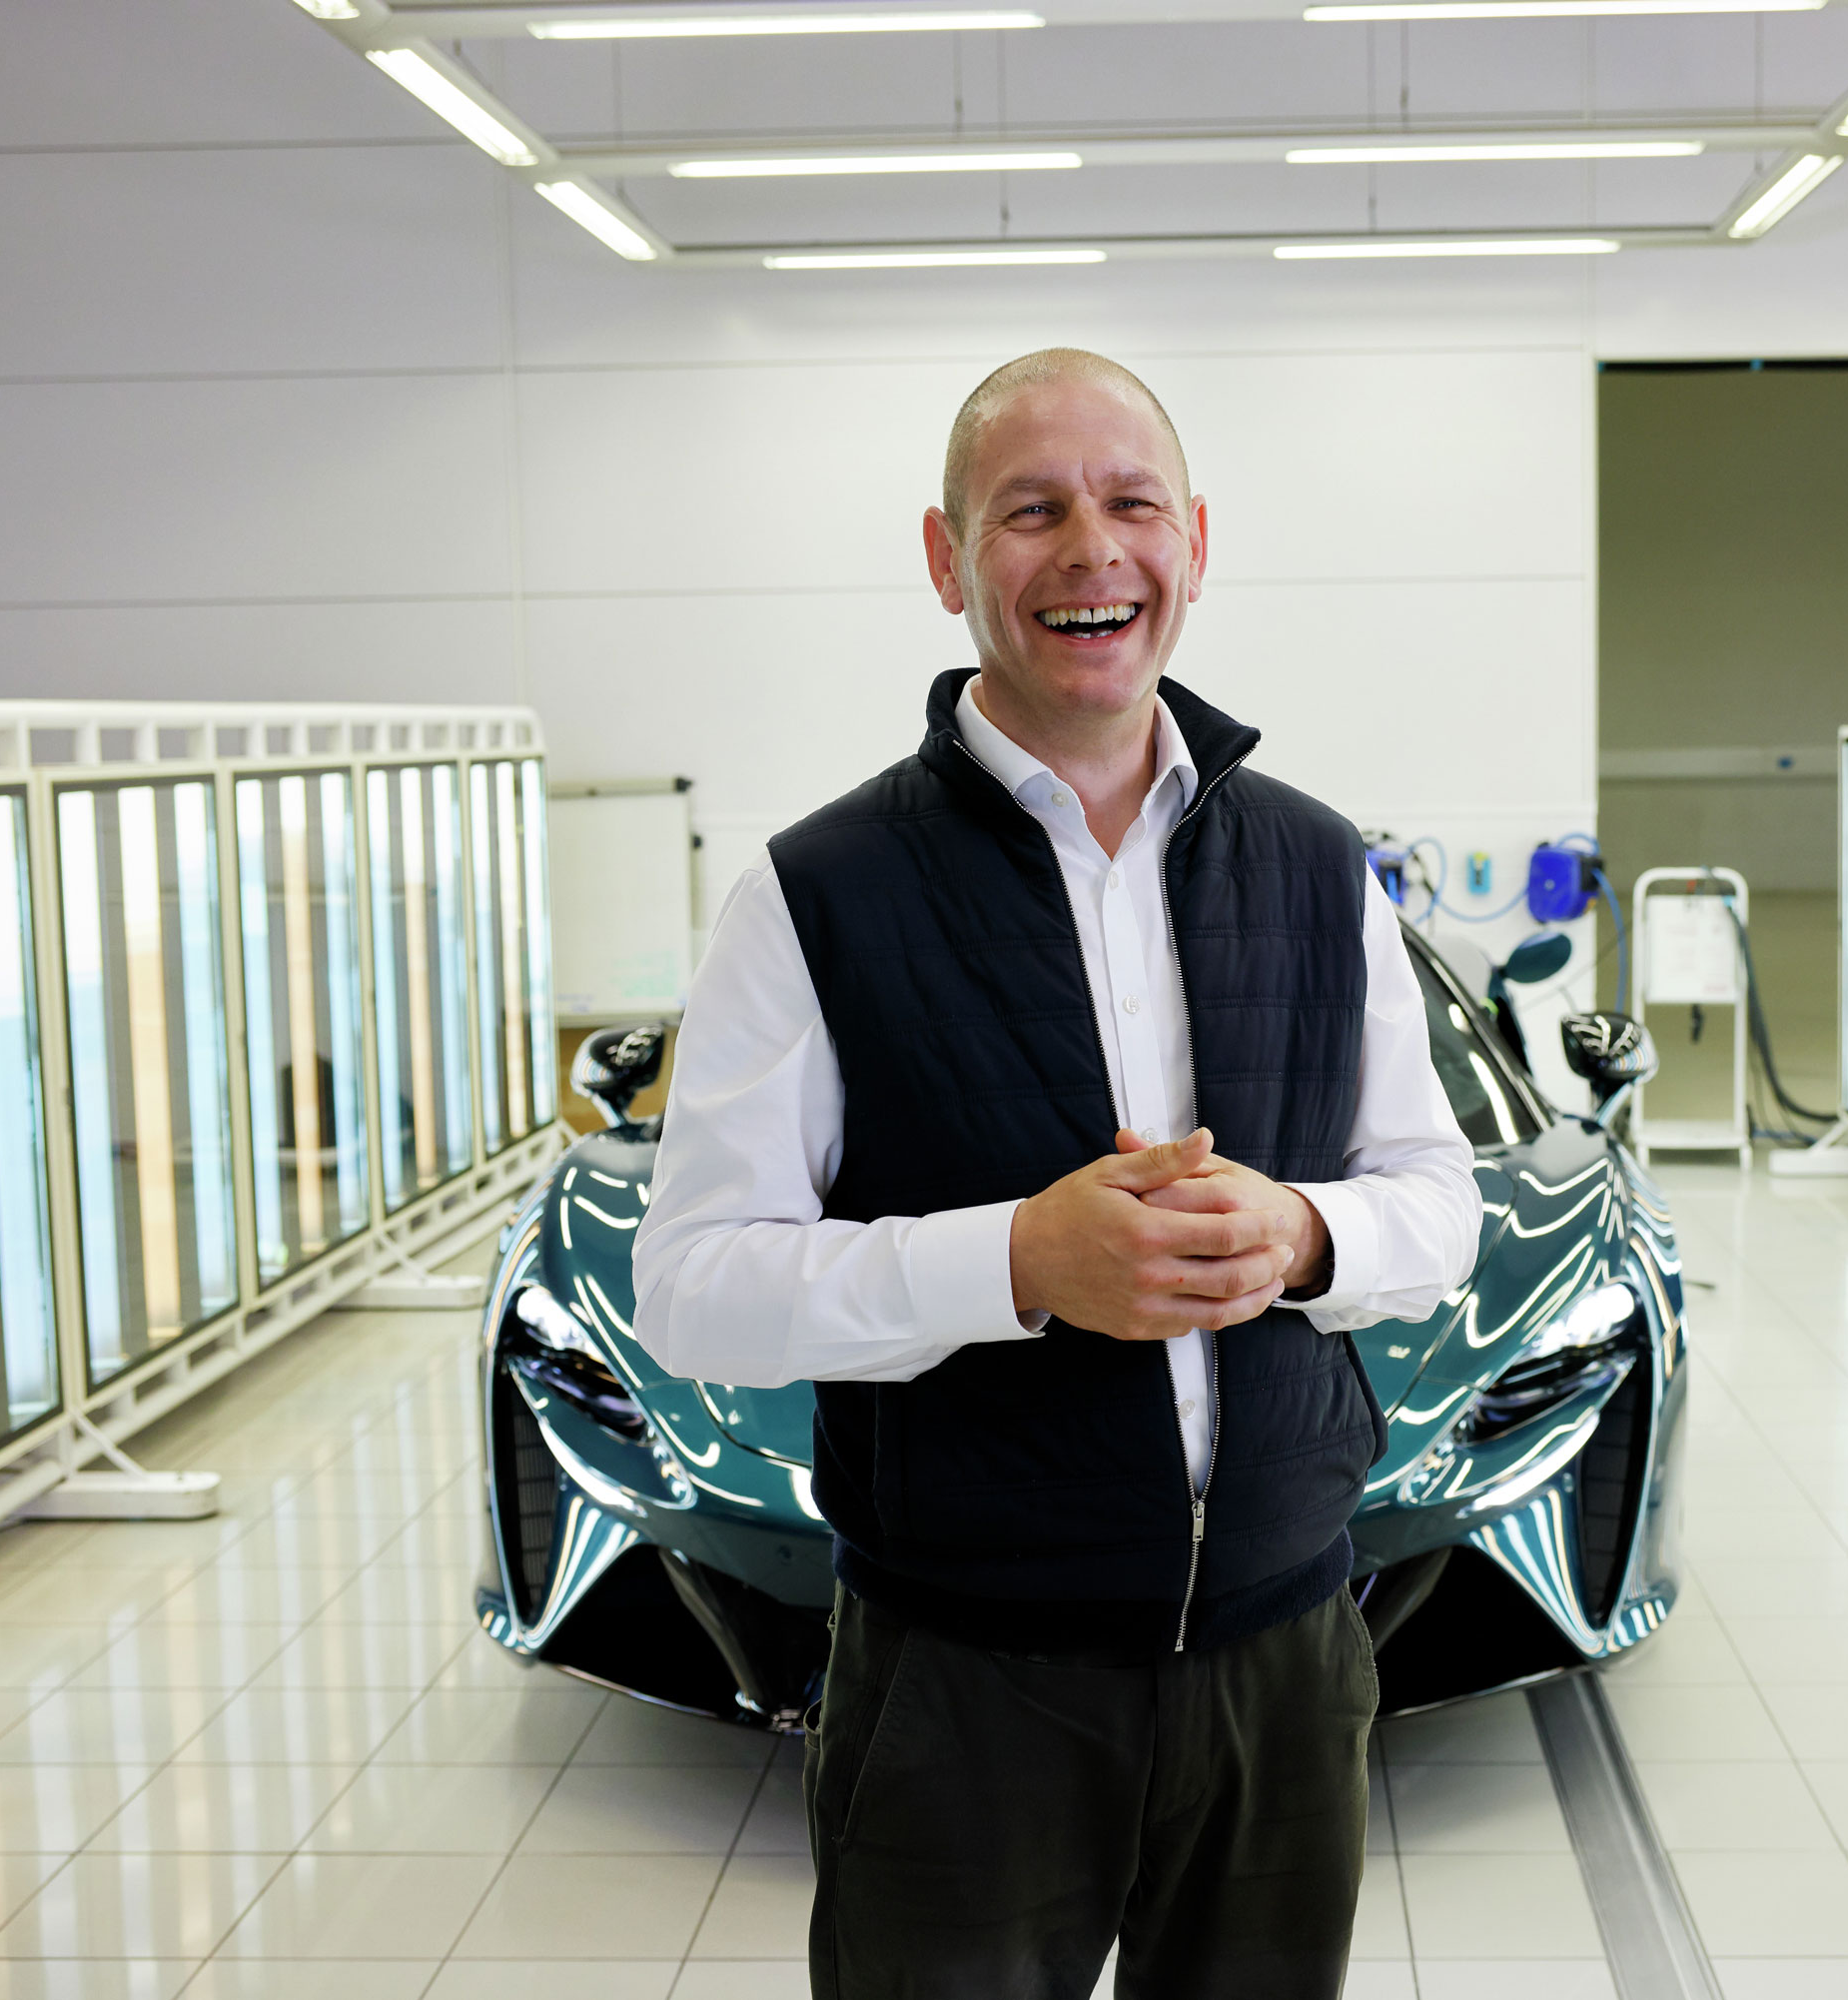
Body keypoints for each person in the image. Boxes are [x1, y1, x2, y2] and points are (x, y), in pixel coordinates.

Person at [631, 347, 1482, 1999]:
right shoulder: (815, 895)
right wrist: (1015, 1262)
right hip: (966, 1679)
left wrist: (1306, 1233)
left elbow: (1437, 1202)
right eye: (1031, 510)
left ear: (1196, 540)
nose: (1092, 547)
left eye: (1130, 502)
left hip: (1286, 1661)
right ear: (949, 560)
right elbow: (696, 1287)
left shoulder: (1317, 863)